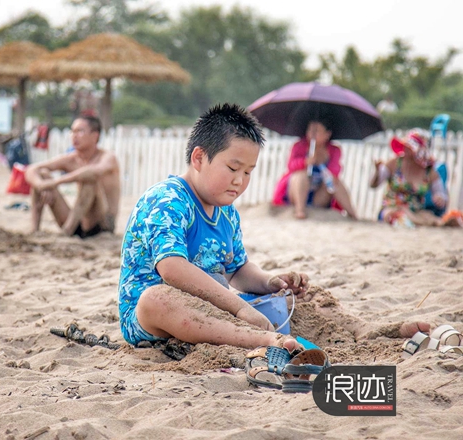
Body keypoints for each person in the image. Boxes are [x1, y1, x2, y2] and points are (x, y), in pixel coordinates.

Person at [118, 103, 308, 352]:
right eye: (232, 168)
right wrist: (240, 308)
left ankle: (244, 334)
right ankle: (262, 340)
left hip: (212, 310)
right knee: (155, 299)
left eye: (248, 172)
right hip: (151, 320)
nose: (239, 180)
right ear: (198, 158)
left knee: (277, 301)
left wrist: (270, 282)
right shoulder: (168, 199)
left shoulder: (227, 212)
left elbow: (237, 270)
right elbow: (172, 269)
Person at [25, 115, 120, 238]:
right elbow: (31, 169)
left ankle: (66, 232)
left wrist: (55, 183)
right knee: (42, 174)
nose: (74, 136)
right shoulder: (72, 158)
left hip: (102, 224)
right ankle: (35, 229)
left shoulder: (107, 157)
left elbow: (92, 172)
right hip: (78, 221)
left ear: (95, 136)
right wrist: (42, 185)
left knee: (89, 179)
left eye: (80, 131)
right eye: (72, 131)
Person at [370, 128, 462, 227]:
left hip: (417, 211)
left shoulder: (429, 172)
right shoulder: (395, 163)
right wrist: (377, 173)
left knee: (427, 216)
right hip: (392, 207)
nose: (405, 150)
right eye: (406, 146)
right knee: (397, 216)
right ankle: (435, 223)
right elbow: (373, 185)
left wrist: (440, 198)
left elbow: (441, 195)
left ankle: (434, 222)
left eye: (410, 148)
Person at [272, 118, 357, 220]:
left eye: (316, 131)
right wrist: (305, 162)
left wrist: (322, 164)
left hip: (319, 193)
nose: (311, 134)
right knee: (300, 176)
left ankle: (352, 213)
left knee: (334, 182)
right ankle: (300, 210)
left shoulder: (334, 150)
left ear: (327, 134)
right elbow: (291, 165)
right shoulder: (299, 146)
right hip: (297, 191)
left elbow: (336, 170)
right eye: (310, 130)